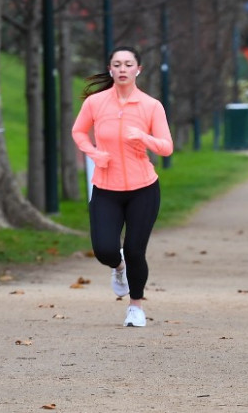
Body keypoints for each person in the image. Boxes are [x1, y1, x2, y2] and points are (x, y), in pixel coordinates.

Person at [72, 46, 174, 328]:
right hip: (106, 187)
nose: (122, 69)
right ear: (110, 69)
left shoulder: (151, 106)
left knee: (134, 250)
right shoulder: (95, 103)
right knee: (105, 249)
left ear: (138, 69)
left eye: (128, 64)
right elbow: (78, 132)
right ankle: (118, 270)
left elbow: (166, 147)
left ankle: (136, 307)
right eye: (117, 64)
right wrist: (93, 153)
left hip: (143, 188)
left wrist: (143, 137)